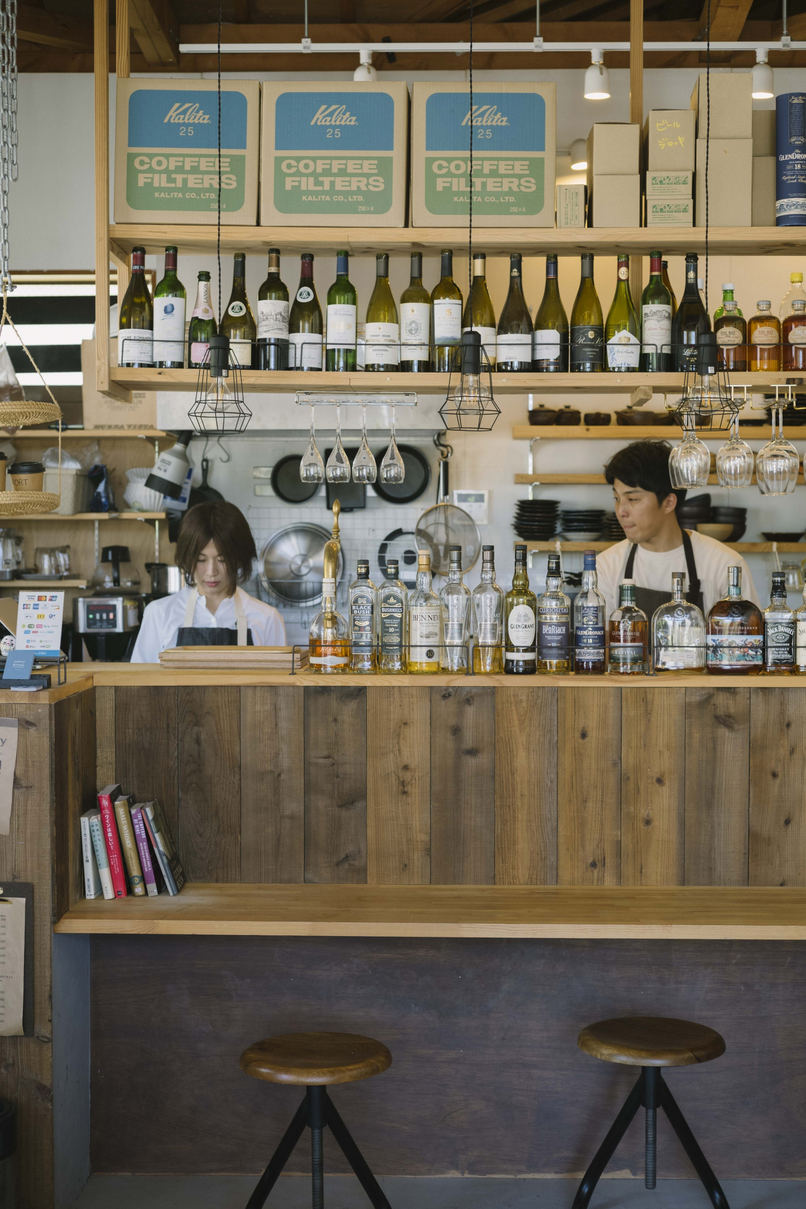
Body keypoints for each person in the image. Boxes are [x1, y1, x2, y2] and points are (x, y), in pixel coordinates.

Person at [596, 439, 759, 621]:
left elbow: (748, 644)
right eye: (616, 498)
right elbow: (602, 645)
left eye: (633, 499)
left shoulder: (725, 566)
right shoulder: (606, 566)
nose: (620, 511)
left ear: (669, 502)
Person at [131, 500, 285, 662]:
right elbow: (140, 682)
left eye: (222, 560)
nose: (211, 572)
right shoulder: (159, 613)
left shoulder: (267, 618)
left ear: (239, 559)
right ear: (186, 558)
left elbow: (278, 685)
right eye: (201, 560)